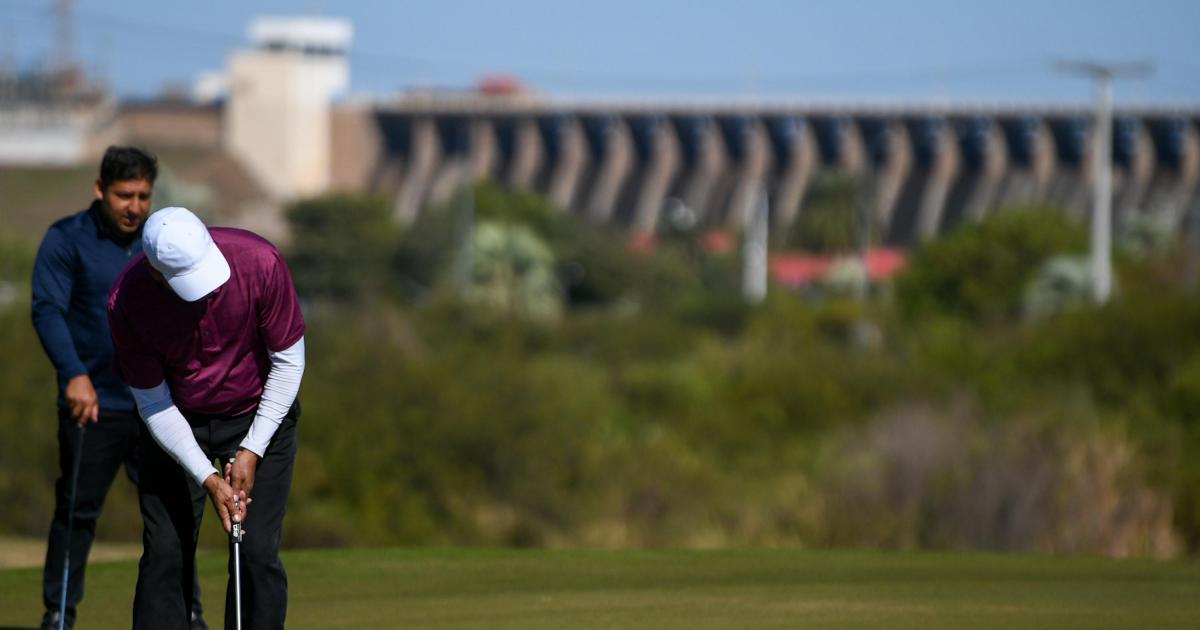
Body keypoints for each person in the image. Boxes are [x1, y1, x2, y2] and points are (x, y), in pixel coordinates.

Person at [31, 147, 209, 630]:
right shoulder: (67, 239)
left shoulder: (161, 244)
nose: (134, 206)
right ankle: (59, 613)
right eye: (123, 195)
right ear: (100, 190)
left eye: (143, 196)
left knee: (172, 514)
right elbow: (47, 309)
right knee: (77, 509)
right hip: (95, 403)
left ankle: (188, 612)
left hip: (158, 404)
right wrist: (73, 373)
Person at [108, 206, 306, 630]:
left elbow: (288, 363)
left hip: (260, 411)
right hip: (177, 420)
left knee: (256, 554)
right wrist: (209, 478)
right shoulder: (128, 301)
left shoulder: (260, 262)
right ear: (156, 273)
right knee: (166, 552)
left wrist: (252, 448)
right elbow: (154, 405)